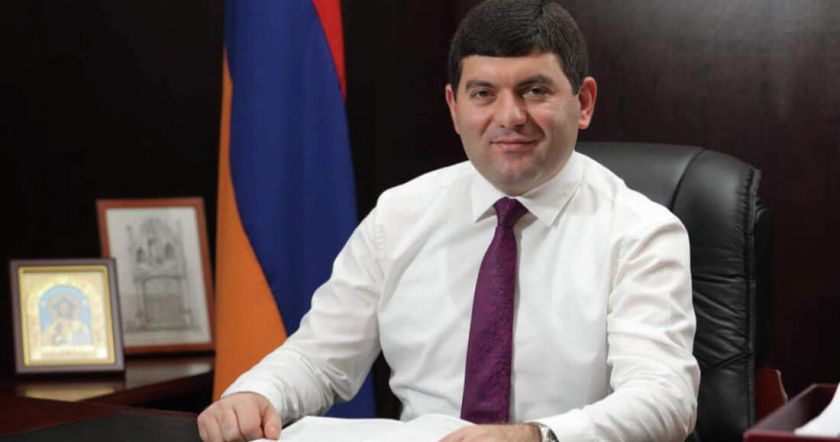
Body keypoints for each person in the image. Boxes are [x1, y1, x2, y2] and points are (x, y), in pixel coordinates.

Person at [198, 0, 700, 441]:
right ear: (454, 107)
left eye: (534, 91)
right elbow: (317, 358)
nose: (509, 116)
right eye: (483, 93)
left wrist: (537, 437)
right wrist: (255, 393)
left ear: (583, 103)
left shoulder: (640, 232)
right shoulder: (400, 215)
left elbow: (664, 398)